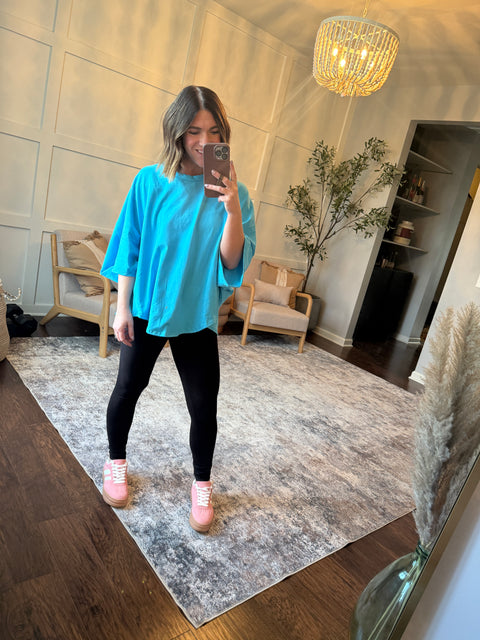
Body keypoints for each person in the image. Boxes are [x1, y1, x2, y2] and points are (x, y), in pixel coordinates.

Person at [100, 85, 256, 533]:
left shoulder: (234, 192)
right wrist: (123, 308)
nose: (205, 141)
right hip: (147, 306)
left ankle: (202, 484)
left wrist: (232, 212)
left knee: (204, 406)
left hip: (196, 313)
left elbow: (231, 262)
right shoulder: (150, 181)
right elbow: (129, 248)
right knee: (128, 388)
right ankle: (115, 462)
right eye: (193, 131)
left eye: (213, 131)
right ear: (177, 132)